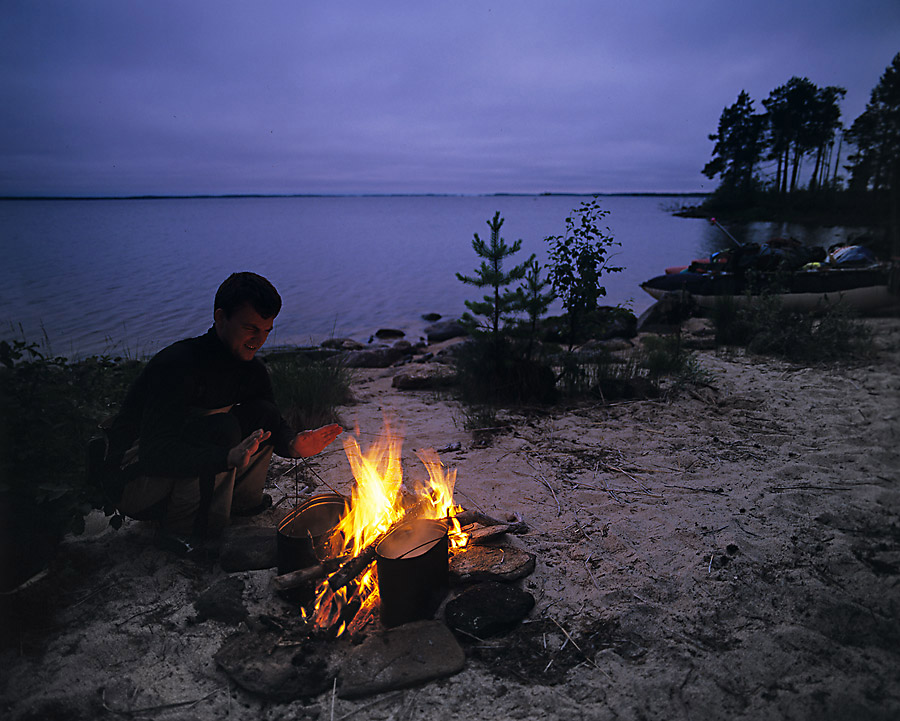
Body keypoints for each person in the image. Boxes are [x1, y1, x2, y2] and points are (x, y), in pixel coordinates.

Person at [103, 272, 342, 544]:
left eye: (266, 331)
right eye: (250, 328)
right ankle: (191, 533)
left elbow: (271, 420)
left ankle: (242, 507)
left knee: (260, 413)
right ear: (220, 318)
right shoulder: (178, 366)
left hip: (172, 470)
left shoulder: (252, 371)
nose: (259, 340)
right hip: (134, 481)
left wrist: (293, 444)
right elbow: (154, 453)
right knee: (222, 428)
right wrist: (225, 457)